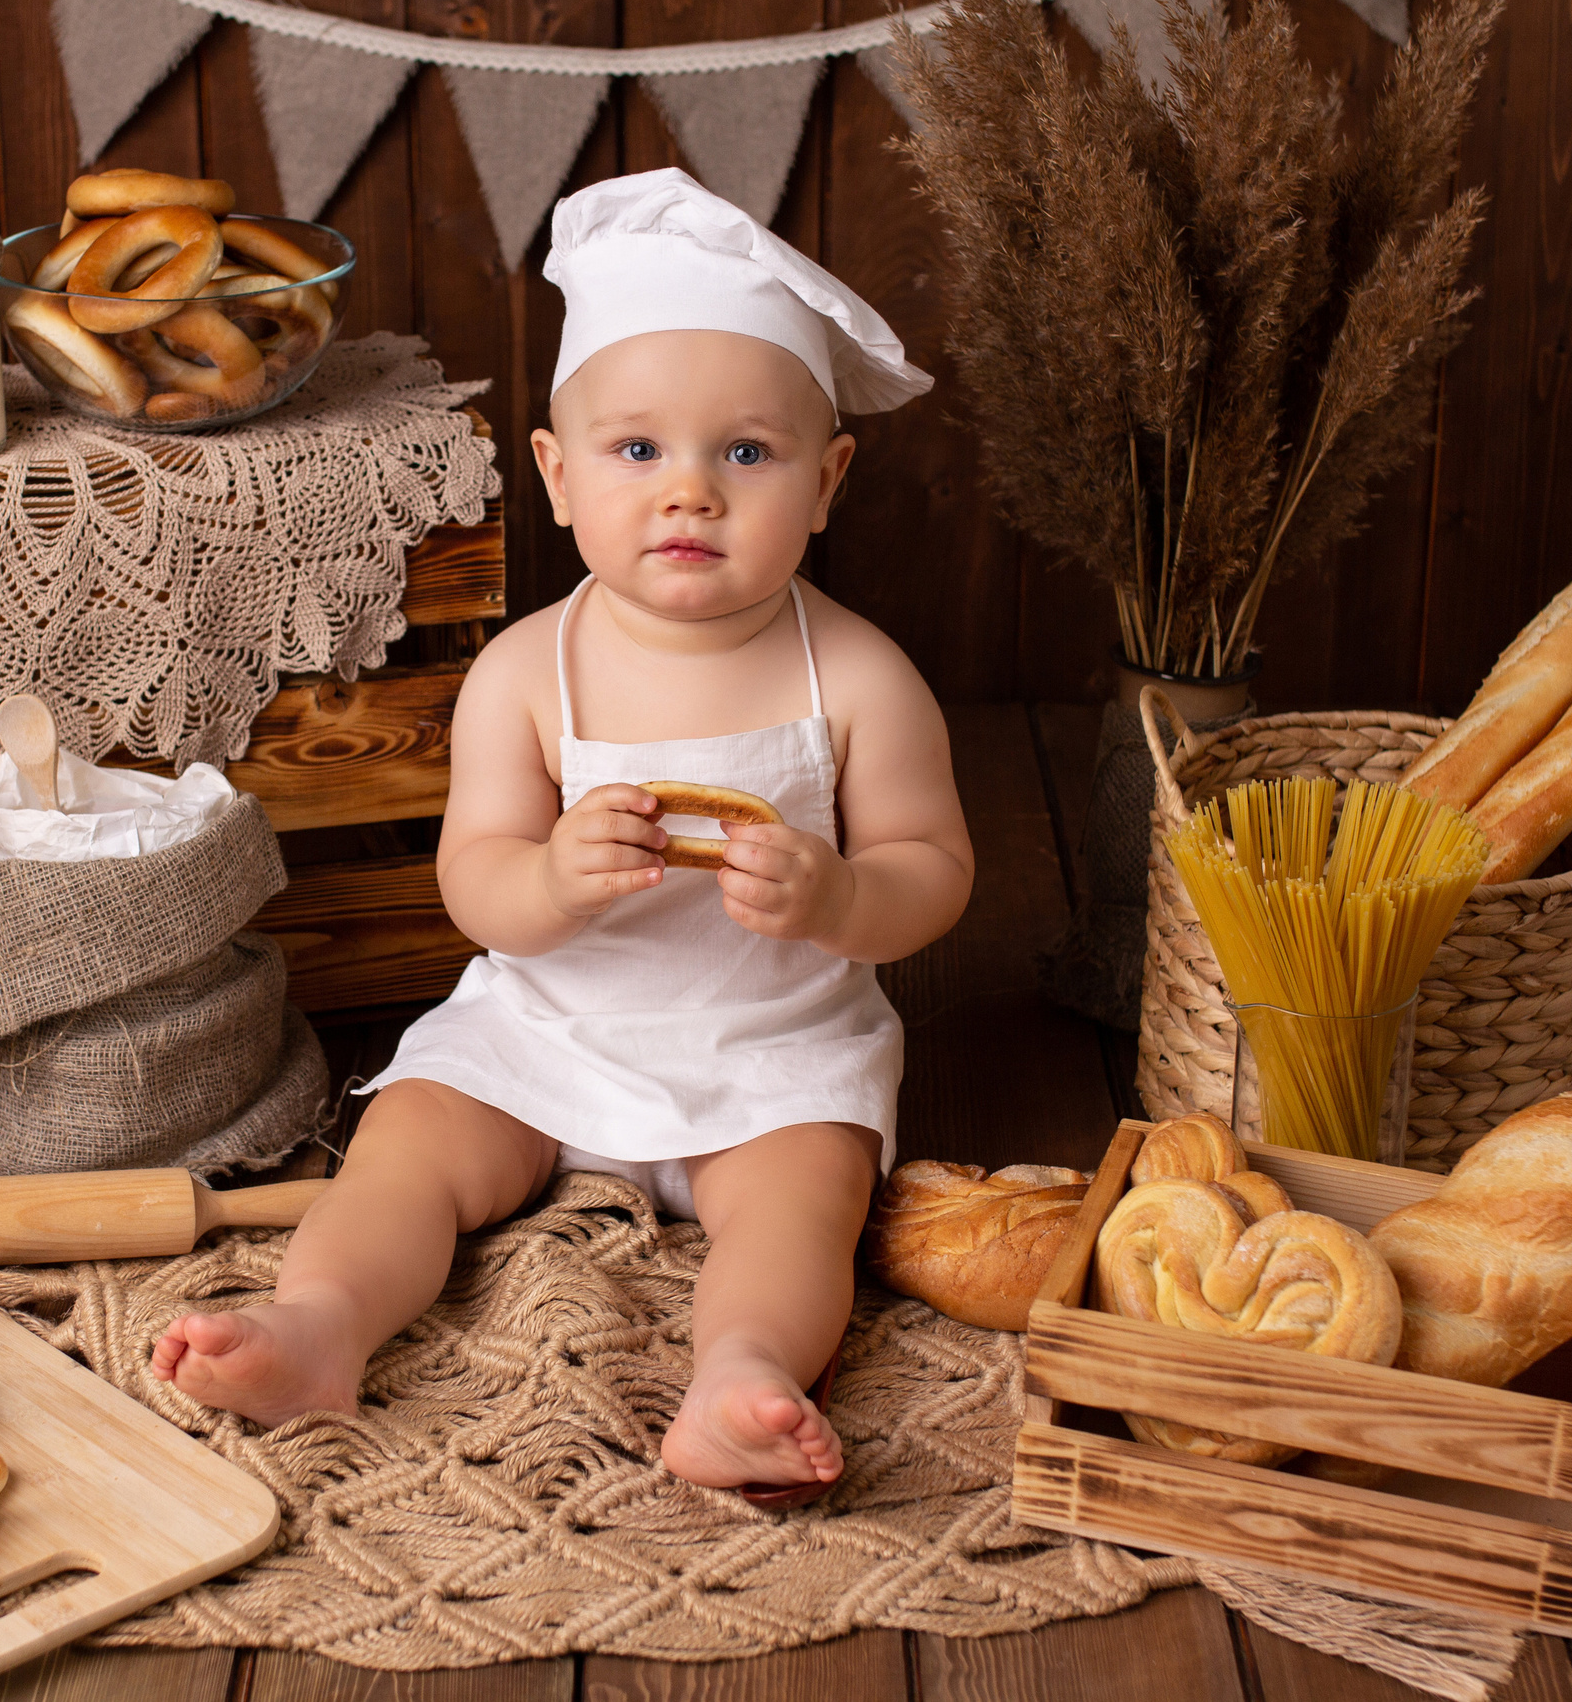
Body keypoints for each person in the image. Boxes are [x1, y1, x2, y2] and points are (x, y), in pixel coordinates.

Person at [155, 169, 974, 1499]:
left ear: (826, 482)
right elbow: (478, 885)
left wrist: (838, 898)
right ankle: (322, 1323)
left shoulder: (863, 679)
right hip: (548, 1028)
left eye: (747, 454)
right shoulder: (532, 675)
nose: (689, 494)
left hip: (770, 1043)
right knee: (407, 1149)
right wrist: (548, 879)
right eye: (638, 451)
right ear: (554, 473)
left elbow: (933, 873)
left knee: (804, 1206)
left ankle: (743, 1374)